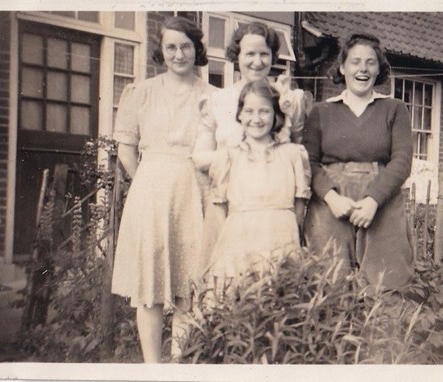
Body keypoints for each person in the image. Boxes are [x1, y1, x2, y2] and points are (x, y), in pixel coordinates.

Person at [110, 16, 215, 363]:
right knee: (149, 287)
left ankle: (180, 362)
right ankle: (153, 366)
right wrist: (145, 180)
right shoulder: (140, 93)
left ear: (196, 49)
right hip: (151, 191)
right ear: (161, 50)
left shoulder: (212, 97)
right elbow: (126, 147)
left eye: (186, 46)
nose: (179, 54)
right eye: (171, 46)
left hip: (195, 191)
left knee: (189, 285)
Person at [193, 21, 308, 277]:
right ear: (237, 56)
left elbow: (297, 151)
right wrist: (240, 157)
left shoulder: (287, 99)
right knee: (228, 284)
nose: (257, 61)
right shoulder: (218, 100)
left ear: (272, 56)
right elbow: (199, 157)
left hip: (274, 213)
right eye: (250, 54)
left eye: (264, 53)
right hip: (231, 207)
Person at [302, 33, 414, 291]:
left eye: (370, 62)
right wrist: (331, 198)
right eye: (355, 62)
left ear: (379, 69)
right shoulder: (321, 111)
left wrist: (373, 200)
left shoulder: (395, 109)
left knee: (386, 286)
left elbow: (402, 159)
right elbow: (309, 160)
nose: (362, 69)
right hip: (332, 207)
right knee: (329, 286)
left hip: (379, 205)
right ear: (342, 67)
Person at [206, 80, 311, 299]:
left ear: (276, 116)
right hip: (239, 241)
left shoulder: (293, 154)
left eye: (264, 111)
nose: (256, 118)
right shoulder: (230, 156)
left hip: (281, 238)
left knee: (279, 304)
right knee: (238, 302)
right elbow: (219, 209)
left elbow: (300, 206)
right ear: (240, 115)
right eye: (249, 111)